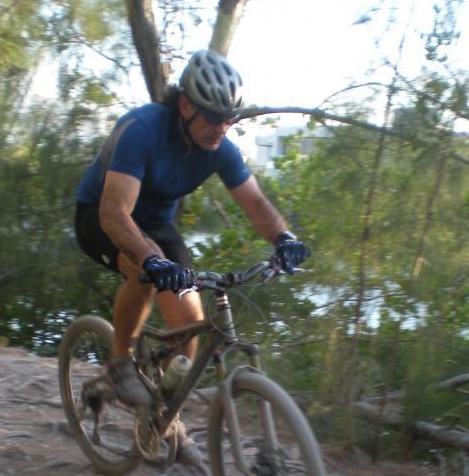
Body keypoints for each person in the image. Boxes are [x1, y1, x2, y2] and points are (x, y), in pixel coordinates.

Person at [74, 49, 309, 452]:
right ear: (185, 105)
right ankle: (119, 363)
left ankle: (162, 412)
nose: (223, 127)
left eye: (230, 118)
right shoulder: (142, 130)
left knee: (190, 323)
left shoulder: (220, 148)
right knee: (142, 276)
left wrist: (283, 239)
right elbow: (115, 213)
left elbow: (255, 204)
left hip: (157, 227)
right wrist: (151, 260)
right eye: (215, 116)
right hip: (102, 217)